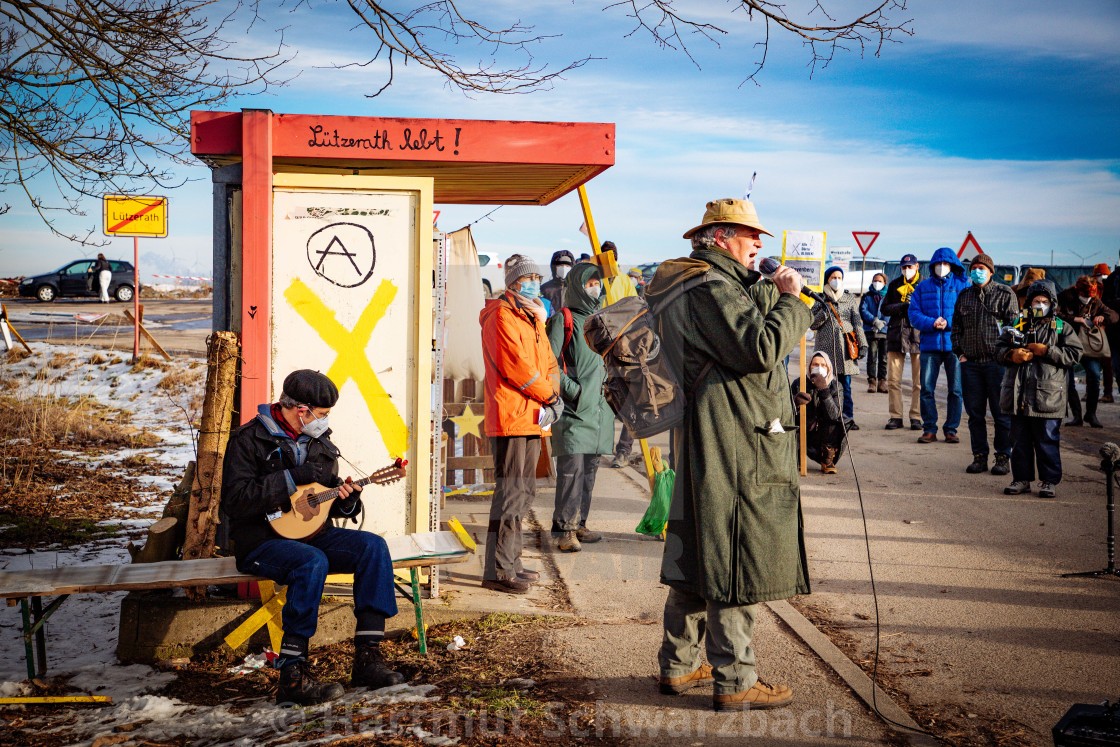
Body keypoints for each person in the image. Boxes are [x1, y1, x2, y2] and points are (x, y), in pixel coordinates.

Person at [647, 197, 811, 711]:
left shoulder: (688, 282)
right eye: (750, 236)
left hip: (706, 429)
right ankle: (736, 680)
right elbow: (759, 348)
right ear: (719, 236)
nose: (758, 244)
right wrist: (792, 301)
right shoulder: (711, 285)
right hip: (731, 437)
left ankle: (679, 666)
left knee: (697, 550)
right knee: (735, 551)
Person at [221, 370, 404, 706]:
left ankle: (367, 659)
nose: (324, 422)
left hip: (310, 535)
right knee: (311, 561)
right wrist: (291, 477)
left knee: (372, 547)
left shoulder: (322, 445)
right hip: (260, 541)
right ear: (301, 410)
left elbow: (319, 507)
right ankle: (292, 675)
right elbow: (235, 501)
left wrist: (347, 501)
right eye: (321, 415)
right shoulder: (248, 439)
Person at [479, 254, 563, 594]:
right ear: (513, 283)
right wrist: (551, 396)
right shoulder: (501, 316)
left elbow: (549, 364)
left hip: (532, 417)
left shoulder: (530, 318)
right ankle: (499, 570)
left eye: (537, 279)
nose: (535, 284)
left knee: (523, 492)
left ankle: (510, 561)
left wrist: (552, 394)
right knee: (511, 493)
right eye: (528, 279)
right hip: (513, 417)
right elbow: (518, 369)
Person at [546, 262, 613, 552]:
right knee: (571, 472)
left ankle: (580, 524)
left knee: (589, 473)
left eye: (597, 283)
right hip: (575, 410)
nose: (594, 287)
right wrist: (576, 392)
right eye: (589, 283)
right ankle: (565, 531)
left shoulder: (604, 319)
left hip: (600, 411)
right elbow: (549, 363)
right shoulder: (564, 318)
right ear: (577, 286)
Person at [998, 279, 1083, 498]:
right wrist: (1011, 355)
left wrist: (1047, 351)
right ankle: (1021, 479)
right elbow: (999, 348)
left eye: (1044, 301)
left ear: (1052, 303)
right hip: (1019, 395)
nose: (1040, 304)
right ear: (1029, 302)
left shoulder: (1061, 325)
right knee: (1019, 441)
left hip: (1048, 396)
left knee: (1047, 441)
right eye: (1036, 300)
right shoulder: (1019, 322)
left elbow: (1074, 355)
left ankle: (1049, 481)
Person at [950, 253, 1018, 475]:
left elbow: (1014, 328)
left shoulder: (1005, 294)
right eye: (974, 268)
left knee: (1001, 414)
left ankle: (1002, 457)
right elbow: (956, 328)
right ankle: (979, 457)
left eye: (982, 268)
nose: (977, 271)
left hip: (997, 365)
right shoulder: (965, 295)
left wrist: (1005, 355)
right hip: (971, 365)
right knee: (975, 414)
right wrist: (960, 353)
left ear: (990, 271)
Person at [909, 248, 969, 444]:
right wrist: (932, 322)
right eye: (938, 263)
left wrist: (948, 323)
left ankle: (951, 429)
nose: (941, 267)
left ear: (952, 265)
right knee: (926, 388)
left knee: (956, 390)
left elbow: (968, 313)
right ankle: (929, 429)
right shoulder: (922, 287)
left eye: (945, 263)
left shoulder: (962, 285)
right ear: (932, 265)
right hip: (929, 346)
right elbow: (914, 314)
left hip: (955, 346)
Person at [599, 240, 640, 468]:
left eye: (611, 255)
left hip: (623, 347)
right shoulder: (595, 281)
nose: (608, 259)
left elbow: (635, 309)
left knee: (631, 400)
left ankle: (623, 450)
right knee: (603, 399)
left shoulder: (624, 281)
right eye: (604, 255)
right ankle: (598, 447)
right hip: (598, 348)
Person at [1056, 275, 1117, 428]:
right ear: (1078, 291)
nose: (1088, 298)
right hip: (1068, 344)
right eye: (1085, 295)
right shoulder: (1065, 296)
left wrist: (1102, 316)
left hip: (1089, 347)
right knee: (1068, 381)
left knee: (1094, 376)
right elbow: (1055, 314)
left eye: (1091, 295)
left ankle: (1091, 414)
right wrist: (1075, 319)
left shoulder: (1095, 300)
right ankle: (1077, 416)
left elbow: (1114, 315)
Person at [810, 266, 867, 430]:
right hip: (825, 350)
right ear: (827, 279)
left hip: (846, 351)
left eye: (840, 277)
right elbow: (813, 323)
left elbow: (857, 323)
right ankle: (827, 417)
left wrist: (862, 344)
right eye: (833, 277)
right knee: (824, 385)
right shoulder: (819, 298)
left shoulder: (849, 298)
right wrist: (825, 310)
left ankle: (848, 418)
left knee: (845, 386)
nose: (837, 280)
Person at [882, 255, 923, 431]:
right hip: (896, 335)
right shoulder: (893, 285)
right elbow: (885, 308)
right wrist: (901, 306)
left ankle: (916, 416)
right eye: (904, 267)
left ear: (917, 266)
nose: (907, 270)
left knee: (919, 382)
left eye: (910, 266)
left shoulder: (924, 285)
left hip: (918, 336)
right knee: (893, 380)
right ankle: (895, 416)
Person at [792, 351, 845, 474]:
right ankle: (798, 454)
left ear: (829, 367)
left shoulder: (836, 386)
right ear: (809, 367)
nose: (819, 368)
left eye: (823, 365)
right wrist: (795, 404)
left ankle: (827, 458)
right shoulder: (799, 383)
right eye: (815, 364)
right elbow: (785, 413)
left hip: (824, 434)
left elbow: (835, 415)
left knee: (840, 420)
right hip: (805, 430)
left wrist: (824, 391)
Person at [859, 272, 889, 394]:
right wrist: (874, 320)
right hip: (870, 331)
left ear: (884, 283)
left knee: (884, 358)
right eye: (875, 280)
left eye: (880, 281)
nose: (877, 283)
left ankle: (882, 382)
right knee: (872, 357)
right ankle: (872, 382)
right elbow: (862, 310)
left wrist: (883, 322)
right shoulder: (867, 296)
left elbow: (890, 310)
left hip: (885, 332)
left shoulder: (888, 296)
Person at [1091, 263, 1115, 402]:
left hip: (1107, 332)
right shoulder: (1092, 289)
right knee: (1091, 361)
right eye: (1099, 275)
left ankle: (1108, 393)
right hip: (1093, 331)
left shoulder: (1110, 289)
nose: (1101, 278)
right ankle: (1091, 392)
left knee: (1107, 364)